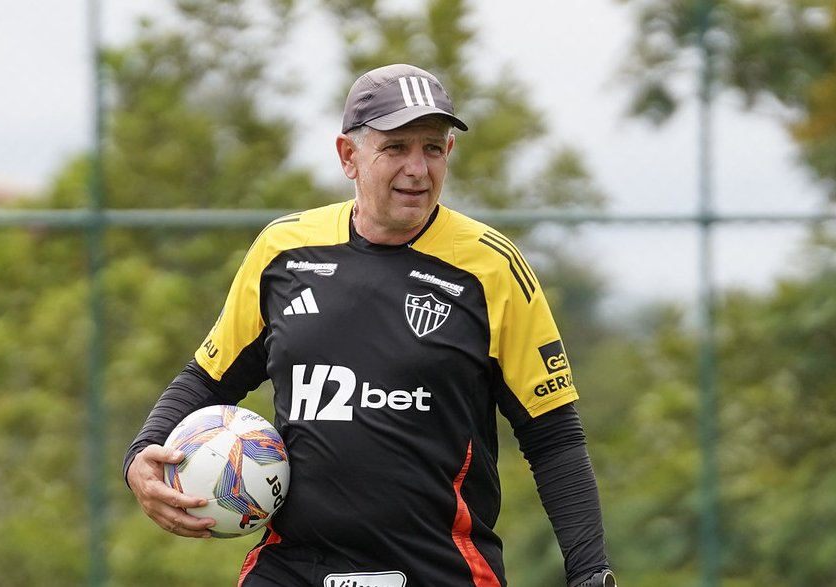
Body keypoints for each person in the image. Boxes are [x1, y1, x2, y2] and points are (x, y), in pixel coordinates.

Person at [124, 63, 617, 587]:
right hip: (295, 566)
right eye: (395, 147)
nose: (417, 168)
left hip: (439, 569)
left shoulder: (491, 269)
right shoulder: (284, 252)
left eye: (432, 147)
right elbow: (207, 376)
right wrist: (142, 455)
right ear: (348, 157)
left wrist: (590, 573)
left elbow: (554, 436)